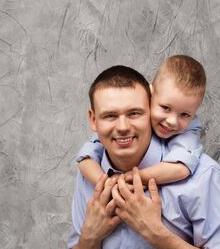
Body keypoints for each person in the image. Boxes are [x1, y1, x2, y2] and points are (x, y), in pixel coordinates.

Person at [63, 65, 220, 249]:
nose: (122, 127)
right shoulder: (91, 176)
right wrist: (89, 237)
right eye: (110, 115)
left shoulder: (202, 176)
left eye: (134, 113)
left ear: (150, 109)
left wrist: (155, 232)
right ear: (94, 120)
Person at [76, 55, 205, 187]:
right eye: (165, 108)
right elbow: (87, 156)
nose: (172, 121)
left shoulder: (189, 130)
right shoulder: (127, 123)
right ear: (150, 95)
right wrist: (107, 185)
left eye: (185, 114)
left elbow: (181, 168)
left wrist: (131, 178)